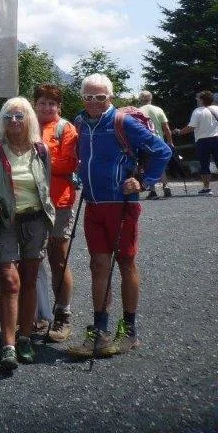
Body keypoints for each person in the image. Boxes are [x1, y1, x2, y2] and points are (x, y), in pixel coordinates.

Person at [67, 74, 171, 358]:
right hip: (93, 203)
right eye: (88, 97)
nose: (93, 102)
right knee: (98, 265)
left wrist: (144, 181)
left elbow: (162, 151)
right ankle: (100, 331)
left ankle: (129, 330)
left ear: (110, 97)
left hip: (122, 204)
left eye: (100, 97)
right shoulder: (80, 123)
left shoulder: (122, 122)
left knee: (125, 262)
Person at [0, 97, 54, 370]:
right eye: (9, 116)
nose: (15, 121)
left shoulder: (40, 149)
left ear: (29, 118)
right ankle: (8, 344)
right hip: (4, 221)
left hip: (35, 220)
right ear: (2, 120)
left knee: (30, 279)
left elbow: (46, 186)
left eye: (20, 116)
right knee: (9, 281)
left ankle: (25, 338)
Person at [33, 84, 81, 343]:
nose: (47, 107)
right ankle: (39, 313)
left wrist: (39, 158)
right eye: (42, 102)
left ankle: (63, 314)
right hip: (30, 202)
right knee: (31, 259)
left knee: (57, 259)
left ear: (59, 106)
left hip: (58, 202)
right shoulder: (27, 125)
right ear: (35, 104)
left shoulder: (65, 128)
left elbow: (69, 163)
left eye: (52, 103)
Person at [173, 90, 218, 196]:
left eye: (198, 99)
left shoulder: (198, 111)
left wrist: (179, 132)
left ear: (201, 100)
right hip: (217, 138)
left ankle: (206, 188)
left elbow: (191, 127)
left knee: (204, 164)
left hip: (203, 141)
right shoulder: (217, 109)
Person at [137, 92, 175, 199]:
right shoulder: (158, 110)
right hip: (159, 141)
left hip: (146, 142)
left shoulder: (138, 111)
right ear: (151, 98)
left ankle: (153, 190)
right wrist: (170, 141)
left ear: (140, 99)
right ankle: (166, 186)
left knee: (148, 165)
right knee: (160, 164)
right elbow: (166, 127)